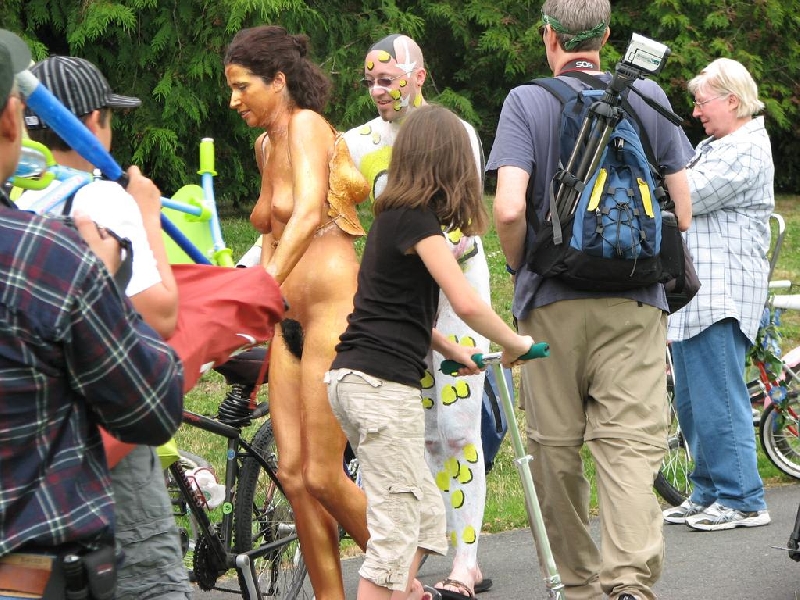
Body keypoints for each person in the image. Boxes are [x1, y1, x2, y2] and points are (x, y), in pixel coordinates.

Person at [486, 1, 693, 599]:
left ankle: (577, 584)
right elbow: (682, 210)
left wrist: (524, 266)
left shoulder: (527, 101)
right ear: (606, 36)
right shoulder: (649, 99)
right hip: (635, 303)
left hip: (551, 300)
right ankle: (627, 583)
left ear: (548, 35)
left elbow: (506, 208)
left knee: (555, 450)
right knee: (628, 449)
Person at [0, 28, 184, 597]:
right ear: (96, 121)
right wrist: (147, 215)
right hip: (86, 464)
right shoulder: (100, 201)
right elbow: (160, 315)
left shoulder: (23, 195)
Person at [327, 103, 534, 600]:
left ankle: (403, 592)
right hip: (379, 388)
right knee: (398, 530)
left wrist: (452, 350)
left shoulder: (392, 222)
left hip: (358, 380)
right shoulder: (417, 222)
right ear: (450, 164)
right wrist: (514, 342)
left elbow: (402, 315)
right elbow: (465, 301)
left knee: (424, 515)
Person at [343, 34, 494, 599]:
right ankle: (412, 561)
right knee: (417, 435)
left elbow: (466, 217)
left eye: (389, 79)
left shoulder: (455, 135)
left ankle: (466, 561)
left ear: (420, 75)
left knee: (457, 432)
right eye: (372, 82)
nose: (379, 91)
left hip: (454, 300)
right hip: (403, 308)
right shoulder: (358, 144)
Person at [224, 24, 371, 599]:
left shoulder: (309, 126)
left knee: (323, 474)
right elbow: (270, 231)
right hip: (288, 320)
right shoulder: (264, 146)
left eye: (242, 86)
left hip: (333, 307)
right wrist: (258, 310)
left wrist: (259, 286)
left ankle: (400, 573)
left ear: (278, 81)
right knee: (290, 474)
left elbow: (308, 213)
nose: (234, 100)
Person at [663, 58, 774, 531]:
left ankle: (743, 498)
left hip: (723, 293)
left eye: (702, 101)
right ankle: (707, 490)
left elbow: (688, 194)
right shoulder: (717, 144)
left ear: (732, 99)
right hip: (696, 295)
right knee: (692, 401)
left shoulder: (748, 147)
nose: (695, 111)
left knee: (719, 400)